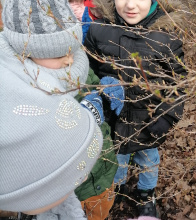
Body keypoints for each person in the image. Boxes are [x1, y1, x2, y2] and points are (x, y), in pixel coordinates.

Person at [0, 0, 121, 219]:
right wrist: (88, 115)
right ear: (25, 52)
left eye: (73, 47)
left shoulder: (76, 66)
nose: (70, 60)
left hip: (101, 173)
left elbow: (92, 90)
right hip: (67, 192)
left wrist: (104, 99)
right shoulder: (18, 95)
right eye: (59, 54)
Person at [84, 0, 187, 217]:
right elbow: (89, 73)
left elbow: (177, 83)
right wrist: (98, 104)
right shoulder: (99, 31)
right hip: (114, 121)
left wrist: (166, 118)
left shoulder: (166, 36)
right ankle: (118, 188)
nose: (130, 5)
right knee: (116, 159)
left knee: (149, 161)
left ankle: (145, 194)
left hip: (149, 121)